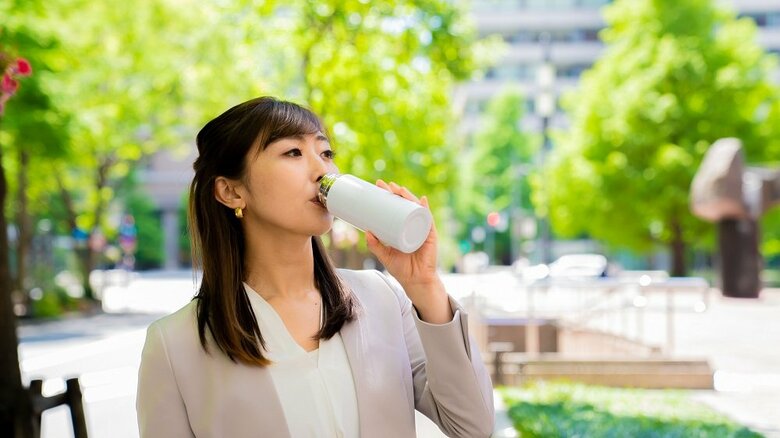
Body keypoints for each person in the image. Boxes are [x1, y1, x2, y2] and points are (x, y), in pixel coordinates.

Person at [136, 96, 494, 437]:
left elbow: (472, 426)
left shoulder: (381, 299)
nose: (322, 169)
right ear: (231, 192)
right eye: (292, 152)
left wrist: (425, 286)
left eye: (326, 152)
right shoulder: (175, 345)